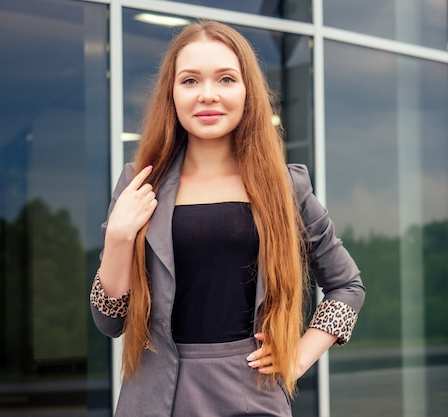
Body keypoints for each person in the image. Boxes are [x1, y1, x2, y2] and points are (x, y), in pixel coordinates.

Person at [90, 20, 365, 417]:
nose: (207, 95)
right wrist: (118, 236)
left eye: (225, 79)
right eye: (189, 81)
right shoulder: (139, 183)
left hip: (250, 394)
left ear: (247, 91)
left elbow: (346, 285)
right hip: (151, 399)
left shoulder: (286, 187)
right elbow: (108, 322)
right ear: (171, 93)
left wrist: (298, 358)